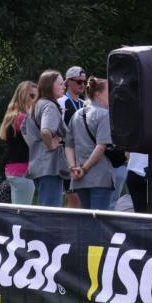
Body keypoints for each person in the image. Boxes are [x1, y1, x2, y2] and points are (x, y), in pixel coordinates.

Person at [65, 76, 114, 210]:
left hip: (79, 179)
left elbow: (68, 145)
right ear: (98, 95)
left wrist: (73, 167)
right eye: (109, 92)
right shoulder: (104, 115)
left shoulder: (76, 115)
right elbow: (101, 146)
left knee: (88, 220)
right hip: (99, 177)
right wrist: (85, 169)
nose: (112, 95)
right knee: (99, 221)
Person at [24, 70, 67, 207]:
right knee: (51, 212)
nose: (64, 87)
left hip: (37, 164)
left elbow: (24, 130)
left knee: (44, 208)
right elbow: (46, 131)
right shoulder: (50, 106)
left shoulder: (35, 105)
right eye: (60, 84)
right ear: (49, 86)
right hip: (50, 167)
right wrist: (50, 145)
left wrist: (37, 146)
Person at [0, 80, 37, 204]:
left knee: (17, 212)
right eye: (32, 96)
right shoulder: (23, 118)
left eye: (37, 96)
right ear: (23, 96)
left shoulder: (12, 116)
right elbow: (34, 144)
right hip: (23, 172)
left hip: (12, 170)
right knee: (21, 214)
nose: (35, 100)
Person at [58, 66, 86, 208]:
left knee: (79, 198)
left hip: (81, 154)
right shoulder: (61, 101)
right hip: (65, 154)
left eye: (84, 82)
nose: (83, 85)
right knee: (73, 198)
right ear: (68, 82)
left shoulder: (84, 104)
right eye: (78, 82)